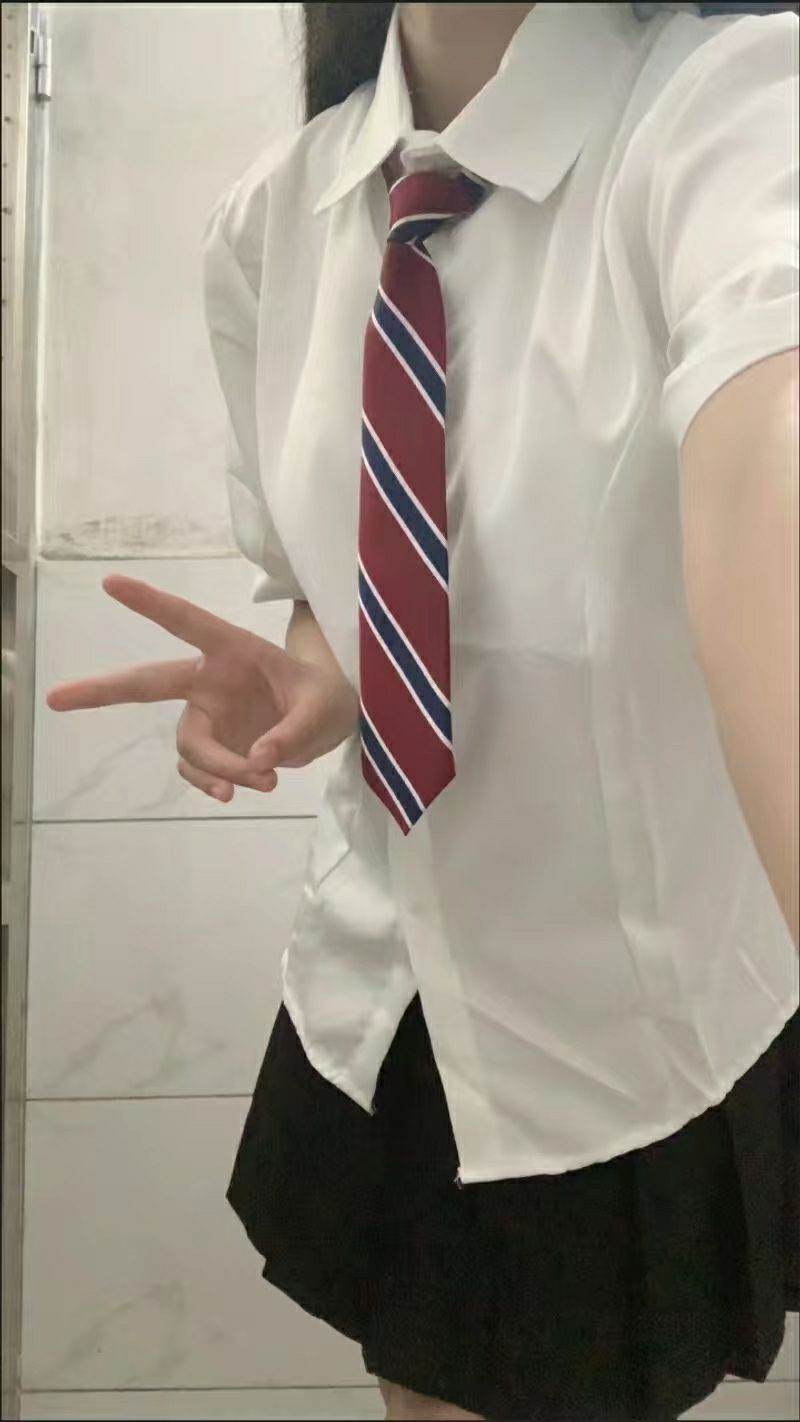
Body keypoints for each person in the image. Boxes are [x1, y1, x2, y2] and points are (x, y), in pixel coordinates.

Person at [46, 2, 799, 1418]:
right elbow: (322, 571)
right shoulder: (271, 222)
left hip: (618, 1027)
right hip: (379, 998)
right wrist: (320, 671)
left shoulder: (730, 111)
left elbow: (768, 474)